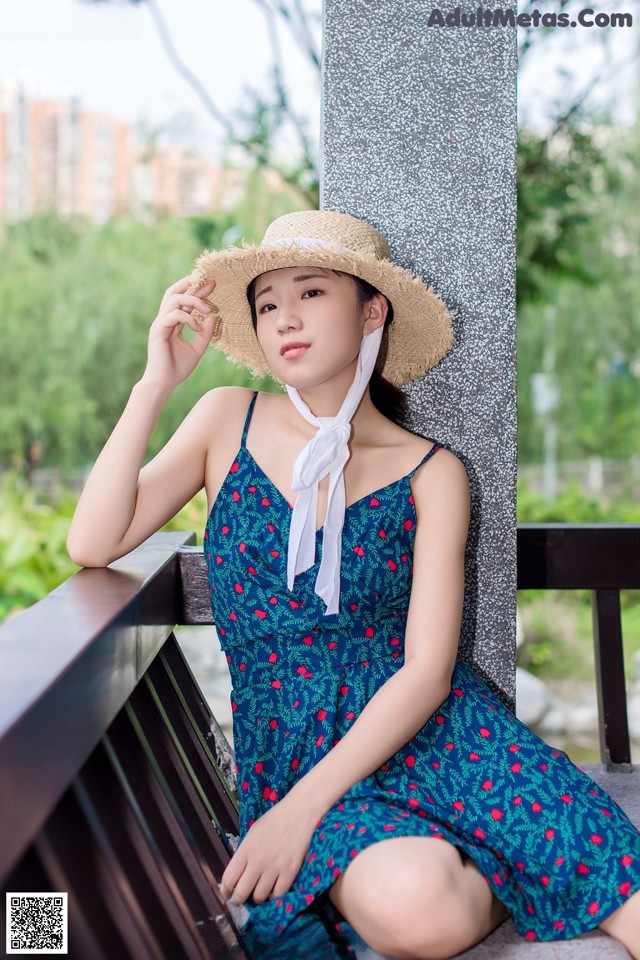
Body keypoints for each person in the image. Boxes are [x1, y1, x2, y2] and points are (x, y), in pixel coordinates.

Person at [67, 209, 640, 960]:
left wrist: (296, 815)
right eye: (267, 303)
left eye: (310, 293)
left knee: (621, 887)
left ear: (373, 309)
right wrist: (154, 384)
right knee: (413, 912)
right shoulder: (224, 420)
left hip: (443, 737)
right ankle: (503, 878)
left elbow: (429, 673)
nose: (285, 318)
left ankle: (507, 853)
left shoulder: (433, 471)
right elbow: (93, 540)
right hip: (301, 752)